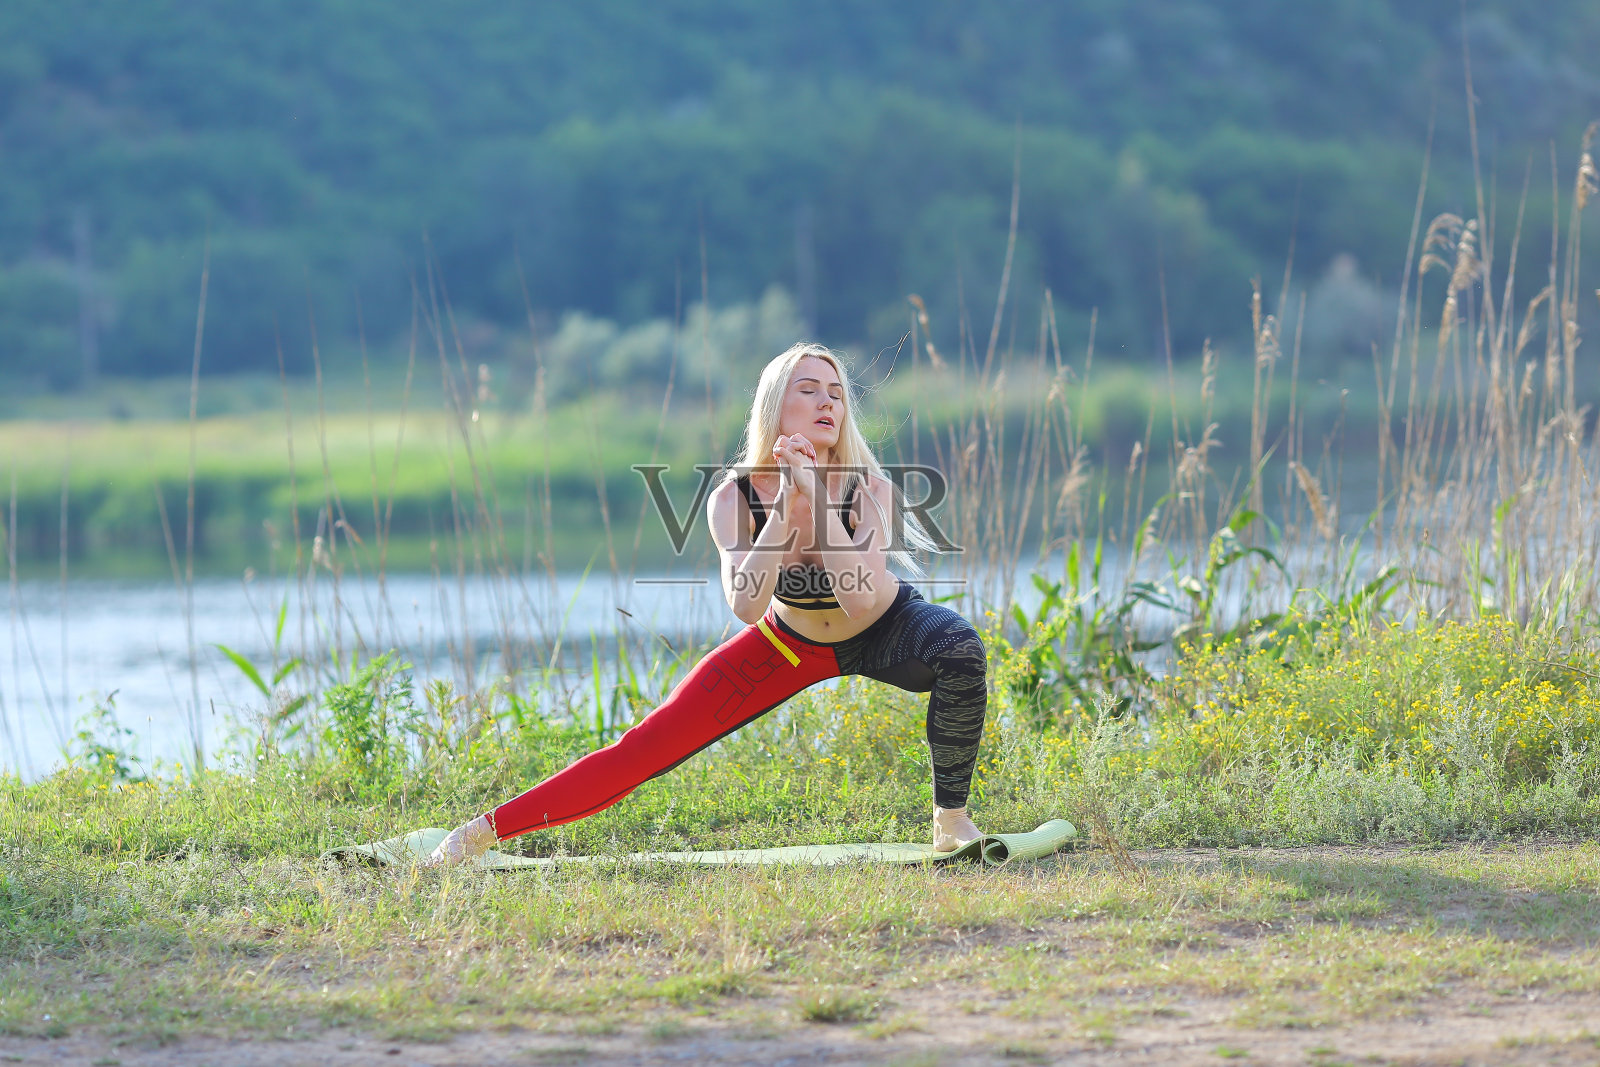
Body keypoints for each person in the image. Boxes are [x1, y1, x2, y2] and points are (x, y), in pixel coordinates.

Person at [425, 343, 989, 866]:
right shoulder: (735, 497)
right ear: (775, 406)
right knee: (646, 746)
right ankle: (477, 834)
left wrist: (815, 494)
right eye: (809, 389)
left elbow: (859, 594)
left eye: (836, 393)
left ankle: (950, 819)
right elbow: (746, 606)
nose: (828, 403)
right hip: (787, 644)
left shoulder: (869, 489)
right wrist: (782, 508)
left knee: (960, 649)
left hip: (887, 629)